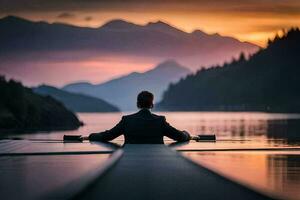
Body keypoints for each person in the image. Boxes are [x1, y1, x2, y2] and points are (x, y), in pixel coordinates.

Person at [87, 91, 193, 144]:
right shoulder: (160, 121)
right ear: (152, 105)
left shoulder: (127, 120)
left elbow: (108, 136)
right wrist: (186, 133)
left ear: (138, 104)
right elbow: (180, 137)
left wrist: (91, 136)